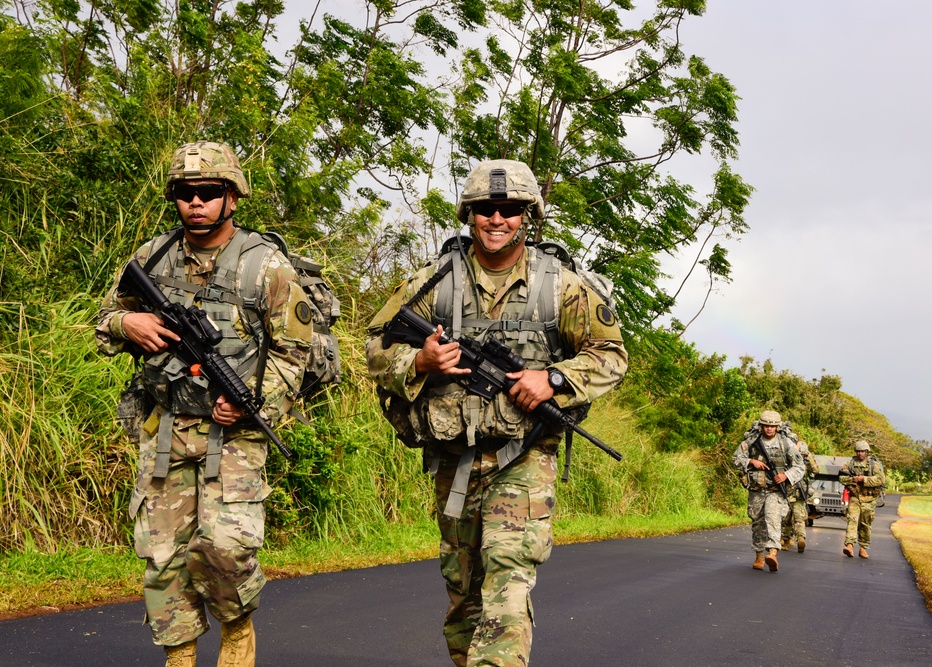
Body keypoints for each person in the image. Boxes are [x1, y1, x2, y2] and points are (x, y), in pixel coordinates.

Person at [366, 159, 628, 666]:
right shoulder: (435, 280)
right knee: (464, 595)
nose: (496, 219)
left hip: (525, 457)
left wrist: (551, 379)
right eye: (486, 208)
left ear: (527, 215)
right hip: (453, 457)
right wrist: (418, 360)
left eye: (509, 210)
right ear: (469, 213)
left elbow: (611, 354)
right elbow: (375, 347)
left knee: (507, 582)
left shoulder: (561, 286)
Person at [95, 141, 313, 666]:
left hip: (234, 432)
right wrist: (129, 323)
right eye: (185, 193)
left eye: (209, 192)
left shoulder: (266, 267)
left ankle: (236, 628)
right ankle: (180, 656)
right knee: (163, 558)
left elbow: (294, 352)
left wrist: (256, 404)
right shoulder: (152, 257)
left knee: (224, 549)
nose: (196, 203)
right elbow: (105, 319)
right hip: (164, 427)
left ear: (232, 197)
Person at [733, 410, 805, 572]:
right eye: (766, 426)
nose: (769, 429)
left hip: (776, 490)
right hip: (757, 489)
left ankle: (772, 552)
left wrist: (786, 475)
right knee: (757, 522)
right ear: (761, 426)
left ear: (777, 427)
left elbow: (800, 467)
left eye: (772, 426)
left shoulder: (786, 443)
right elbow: (736, 459)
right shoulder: (751, 442)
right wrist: (751, 461)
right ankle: (759, 555)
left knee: (773, 517)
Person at [839, 440, 886, 559]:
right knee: (852, 520)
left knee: (866, 524)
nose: (860, 454)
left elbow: (880, 479)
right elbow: (841, 477)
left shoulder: (873, 465)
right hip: (855, 498)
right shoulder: (850, 463)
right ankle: (849, 545)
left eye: (862, 451)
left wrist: (863, 479)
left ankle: (863, 548)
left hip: (869, 499)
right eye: (858, 451)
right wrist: (852, 480)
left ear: (866, 452)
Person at [781, 438, 819, 553]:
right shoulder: (787, 462)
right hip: (787, 493)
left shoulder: (806, 464)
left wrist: (809, 456)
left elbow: (816, 470)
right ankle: (786, 541)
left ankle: (800, 538)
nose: (800, 457)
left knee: (799, 518)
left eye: (802, 455)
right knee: (786, 519)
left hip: (799, 495)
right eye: (799, 454)